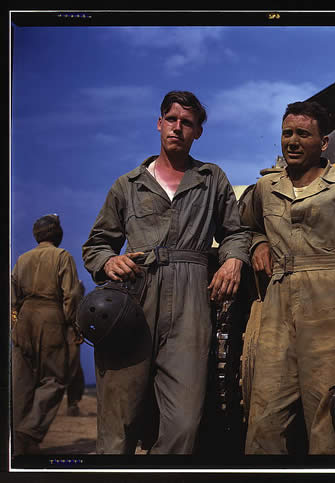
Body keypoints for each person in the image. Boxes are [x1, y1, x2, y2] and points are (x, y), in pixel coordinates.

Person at [81, 90, 249, 454]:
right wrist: (109, 262)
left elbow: (236, 232)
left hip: (192, 299)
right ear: (159, 124)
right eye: (171, 120)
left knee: (184, 423)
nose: (178, 128)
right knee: (118, 420)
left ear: (197, 133)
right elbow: (96, 245)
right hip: (132, 300)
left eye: (187, 123)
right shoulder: (127, 186)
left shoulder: (211, 179)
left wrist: (234, 259)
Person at [241, 100, 335, 455]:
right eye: (287, 133)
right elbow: (244, 224)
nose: (292, 140)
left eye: (303, 134)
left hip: (331, 304)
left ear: (323, 143)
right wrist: (258, 242)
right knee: (264, 418)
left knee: (328, 419)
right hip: (278, 305)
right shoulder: (265, 187)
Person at [11, 214, 82, 455]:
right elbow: (71, 295)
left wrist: (15, 324)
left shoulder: (22, 259)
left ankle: (19, 441)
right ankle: (29, 430)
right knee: (55, 377)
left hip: (24, 318)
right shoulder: (62, 257)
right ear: (57, 234)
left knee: (21, 381)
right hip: (51, 316)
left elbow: (12, 299)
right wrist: (74, 325)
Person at [66, 280, 86, 417]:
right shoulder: (75, 286)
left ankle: (72, 403)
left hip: (67, 330)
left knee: (73, 368)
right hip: (68, 330)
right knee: (72, 368)